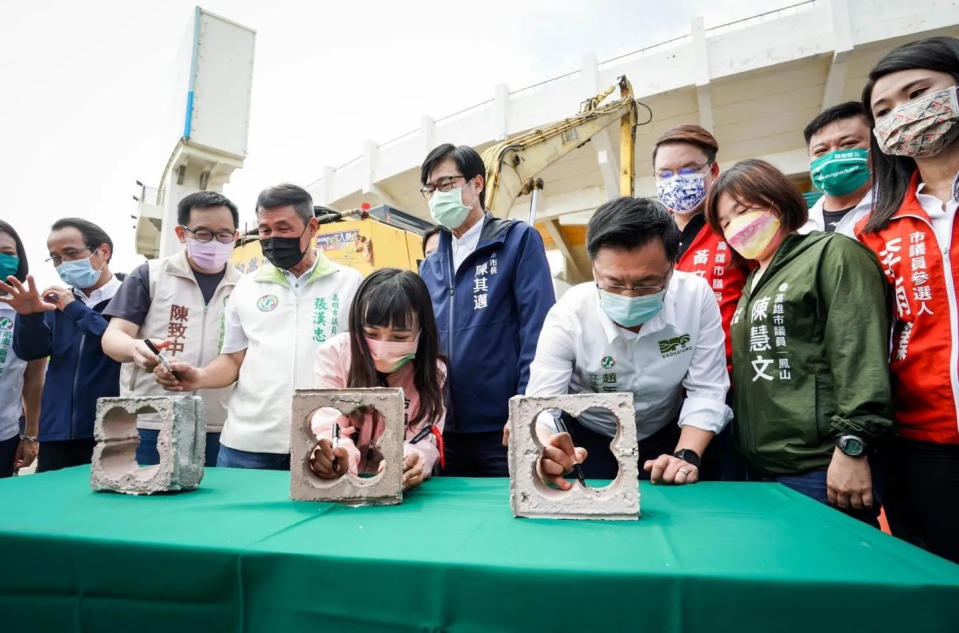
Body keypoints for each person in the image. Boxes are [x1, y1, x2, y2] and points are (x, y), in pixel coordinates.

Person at [704, 158, 893, 523]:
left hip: (822, 466)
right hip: (761, 467)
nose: (734, 227)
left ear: (776, 200)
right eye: (725, 223)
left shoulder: (832, 253)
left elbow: (858, 351)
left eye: (742, 210)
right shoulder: (754, 281)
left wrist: (853, 446)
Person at [526, 197, 732, 488]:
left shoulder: (695, 298)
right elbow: (542, 405)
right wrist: (548, 448)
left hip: (668, 434)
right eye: (614, 283)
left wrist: (685, 456)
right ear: (595, 270)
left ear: (672, 268)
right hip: (589, 438)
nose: (629, 296)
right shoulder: (569, 312)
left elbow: (707, 389)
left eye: (647, 284)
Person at [155, 184, 362, 470]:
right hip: (248, 445)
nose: (273, 237)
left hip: (326, 445)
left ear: (312, 227)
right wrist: (199, 377)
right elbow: (233, 358)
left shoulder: (351, 284)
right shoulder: (246, 287)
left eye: (284, 228)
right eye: (265, 230)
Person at [855, 36, 959, 561]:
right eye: (884, 110)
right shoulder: (875, 231)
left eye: (919, 93)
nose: (903, 114)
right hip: (923, 442)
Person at [419, 144, 555, 477]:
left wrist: (526, 409)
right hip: (443, 431)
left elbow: (538, 332)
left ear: (477, 184)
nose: (438, 195)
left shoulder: (517, 241)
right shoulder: (431, 265)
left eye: (446, 184)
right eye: (430, 189)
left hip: (503, 429)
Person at [102, 191, 241, 467]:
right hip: (150, 419)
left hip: (219, 423)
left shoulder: (245, 287)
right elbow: (112, 338)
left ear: (236, 237)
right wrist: (136, 348)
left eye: (224, 235)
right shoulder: (149, 275)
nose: (214, 242)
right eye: (202, 234)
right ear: (181, 233)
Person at [653, 125, 750, 480]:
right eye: (666, 174)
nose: (676, 181)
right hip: (670, 389)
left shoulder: (732, 227)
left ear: (713, 171)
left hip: (731, 386)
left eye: (688, 170)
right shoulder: (656, 238)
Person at [309, 268, 447, 490]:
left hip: (401, 490)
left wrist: (412, 458)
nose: (383, 345)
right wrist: (339, 453)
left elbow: (425, 436)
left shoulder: (434, 371)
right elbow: (327, 422)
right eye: (371, 334)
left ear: (422, 333)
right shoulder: (335, 354)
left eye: (400, 337)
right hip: (344, 485)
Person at [1, 218, 121, 472]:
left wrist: (75, 309)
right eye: (55, 258)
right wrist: (30, 316)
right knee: (54, 507)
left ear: (103, 252)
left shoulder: (130, 296)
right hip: (57, 433)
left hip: (112, 430)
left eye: (71, 253)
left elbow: (122, 345)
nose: (63, 264)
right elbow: (32, 353)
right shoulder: (53, 304)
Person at [0, 221, 45, 477]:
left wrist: (30, 435)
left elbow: (34, 378)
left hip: (4, 437)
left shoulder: (29, 312)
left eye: (7, 253)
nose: (1, 258)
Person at [799, 101, 874, 236]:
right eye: (821, 150)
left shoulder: (904, 207)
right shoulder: (800, 227)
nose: (833, 155)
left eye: (848, 143)